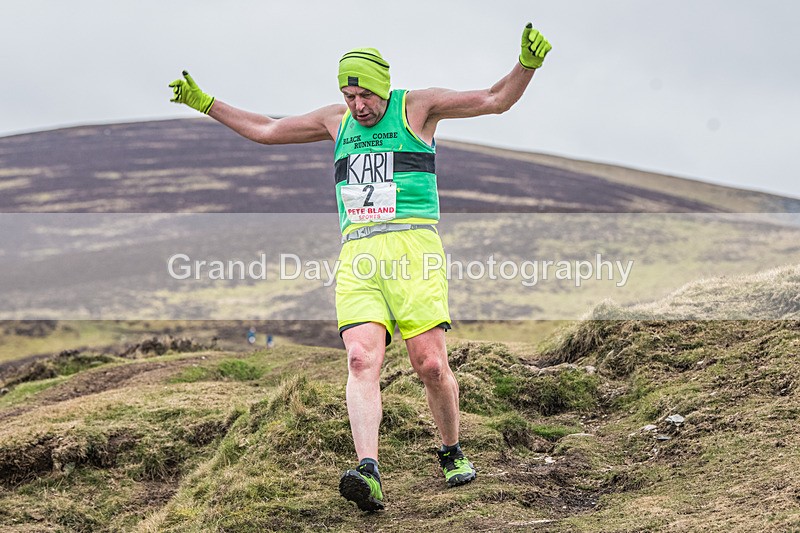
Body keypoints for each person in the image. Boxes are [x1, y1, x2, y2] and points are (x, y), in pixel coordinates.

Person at [169, 22, 551, 512]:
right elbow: (266, 130)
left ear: (382, 86)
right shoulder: (335, 121)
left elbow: (496, 98)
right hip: (359, 255)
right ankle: (368, 471)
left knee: (431, 365)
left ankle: (452, 450)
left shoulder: (417, 107)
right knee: (360, 360)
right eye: (348, 95)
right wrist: (207, 104)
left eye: (365, 94)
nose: (358, 106)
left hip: (415, 250)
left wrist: (527, 65)